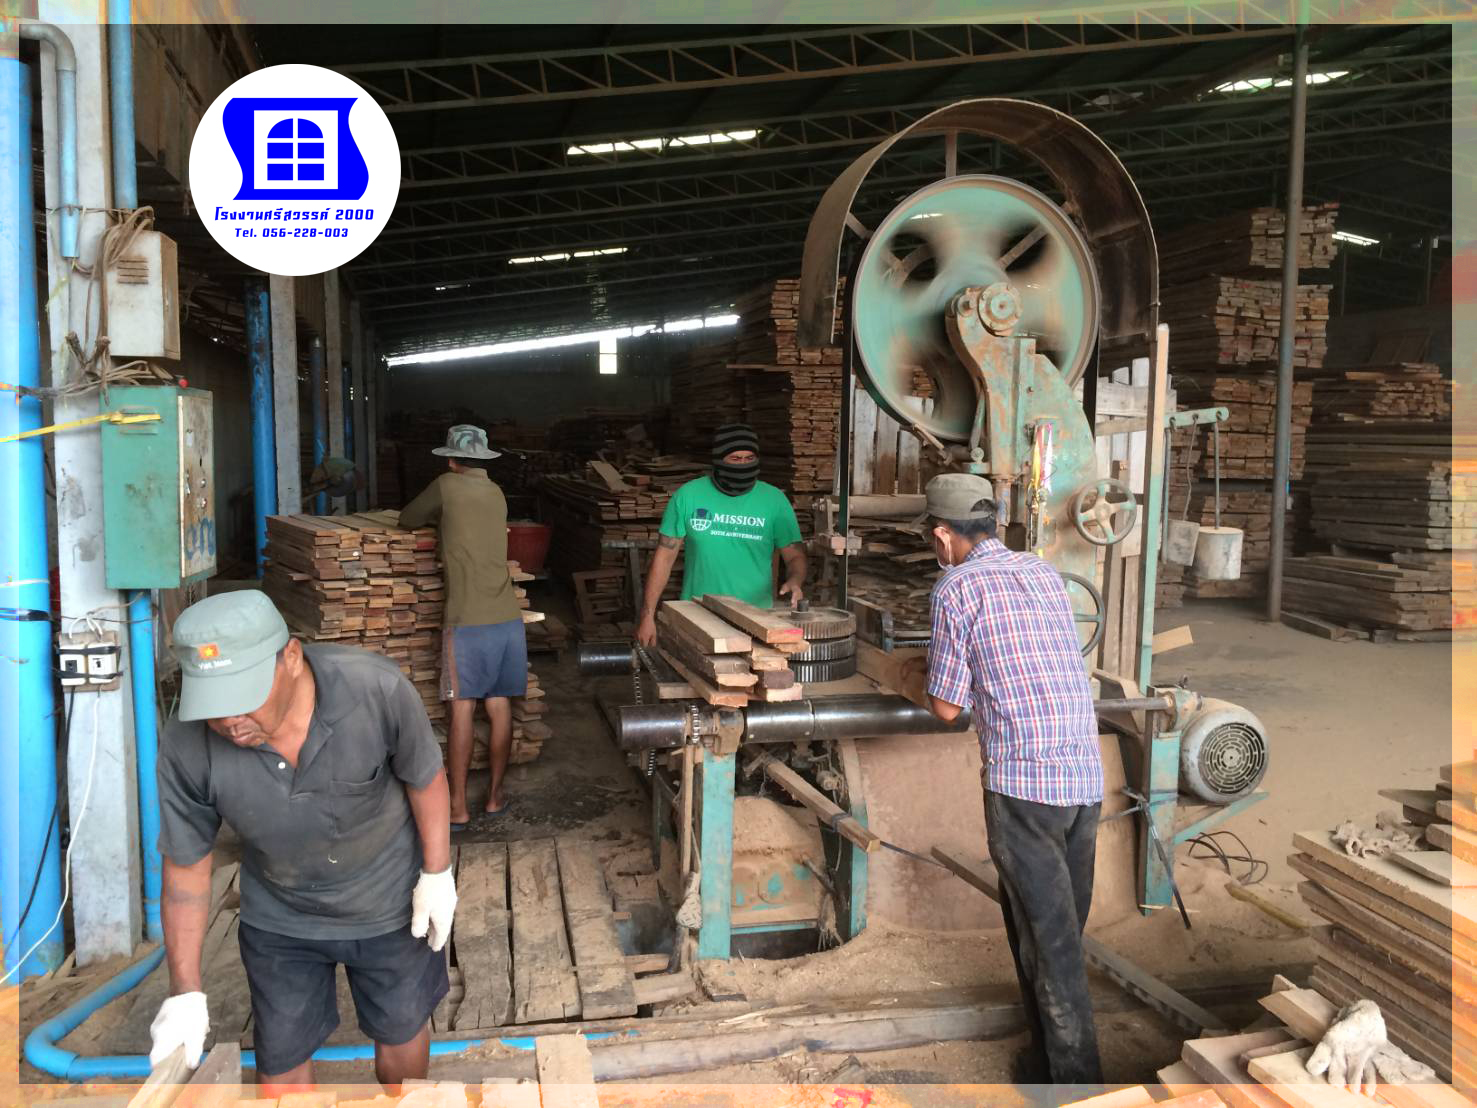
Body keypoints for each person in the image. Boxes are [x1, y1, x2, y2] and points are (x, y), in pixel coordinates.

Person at [148, 591, 455, 1094]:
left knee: (401, 1036)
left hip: (390, 902)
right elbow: (186, 872)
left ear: (291, 657)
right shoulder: (187, 745)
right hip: (280, 915)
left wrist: (437, 874)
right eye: (213, 704)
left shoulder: (373, 689)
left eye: (242, 696)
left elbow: (425, 778)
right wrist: (185, 992)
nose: (229, 721)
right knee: (281, 1057)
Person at [920, 472, 1105, 1088]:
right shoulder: (1042, 572)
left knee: (1051, 945)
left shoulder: (955, 587)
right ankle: (1045, 1062)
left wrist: (914, 676)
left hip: (1024, 786)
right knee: (1053, 932)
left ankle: (1077, 1087)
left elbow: (947, 707)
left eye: (933, 539)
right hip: (1082, 776)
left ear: (943, 535)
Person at [399, 424, 526, 828]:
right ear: (483, 459)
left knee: (462, 710)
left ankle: (457, 806)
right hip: (507, 618)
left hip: (467, 620)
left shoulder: (446, 486)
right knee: (500, 706)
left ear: (452, 461)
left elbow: (407, 519)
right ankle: (494, 797)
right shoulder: (496, 492)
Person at [635, 423, 806, 647]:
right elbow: (664, 557)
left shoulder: (775, 501)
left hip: (757, 619)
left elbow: (795, 556)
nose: (743, 465)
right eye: (735, 459)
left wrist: (795, 580)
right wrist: (647, 615)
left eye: (749, 458)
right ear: (718, 459)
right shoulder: (688, 496)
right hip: (697, 616)